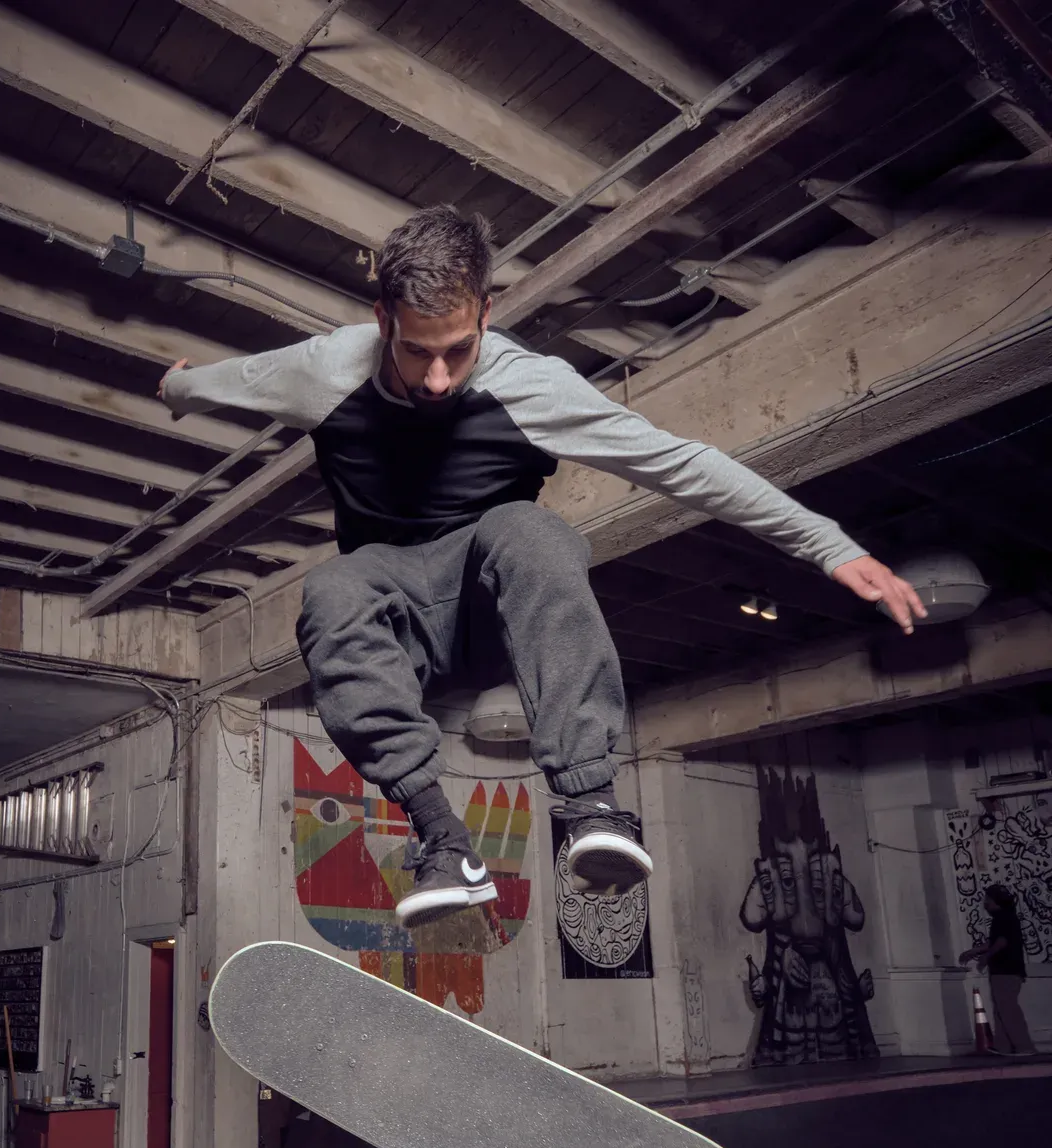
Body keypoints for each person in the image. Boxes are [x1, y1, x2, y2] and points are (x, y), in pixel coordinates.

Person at [159, 206, 925, 929]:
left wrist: (830, 545)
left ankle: (591, 807)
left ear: (486, 315)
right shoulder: (328, 368)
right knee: (330, 585)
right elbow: (233, 380)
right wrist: (176, 387)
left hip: (495, 606)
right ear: (382, 319)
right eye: (416, 350)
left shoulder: (530, 383)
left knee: (528, 529)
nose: (437, 379)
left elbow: (682, 465)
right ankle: (445, 845)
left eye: (457, 350)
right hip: (397, 616)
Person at [959, 884, 1036, 1055]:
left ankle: (1024, 1046)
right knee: (1002, 1009)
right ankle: (1004, 1046)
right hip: (1006, 971)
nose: (985, 903)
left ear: (996, 901)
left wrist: (986, 957)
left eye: (987, 899)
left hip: (1006, 971)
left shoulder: (1003, 918)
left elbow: (1001, 941)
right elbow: (995, 941)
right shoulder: (1006, 918)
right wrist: (975, 951)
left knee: (1008, 1010)